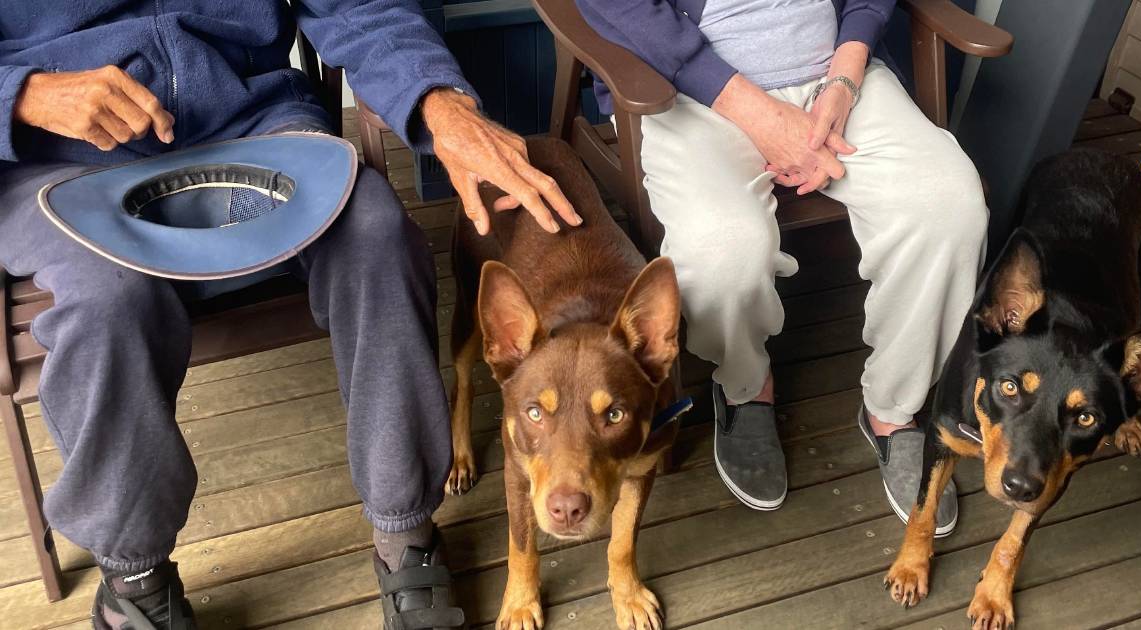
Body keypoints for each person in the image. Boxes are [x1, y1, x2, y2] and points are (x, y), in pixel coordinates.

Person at [0, 2, 577, 628]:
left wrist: (439, 102)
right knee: (105, 295)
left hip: (253, 123)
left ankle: (406, 533)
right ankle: (136, 581)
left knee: (377, 236)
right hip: (56, 158)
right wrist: (21, 95)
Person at [577, 0, 985, 530]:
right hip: (692, 89)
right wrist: (760, 115)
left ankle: (895, 407)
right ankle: (745, 385)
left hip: (837, 78)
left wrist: (846, 71)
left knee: (949, 205)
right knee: (720, 245)